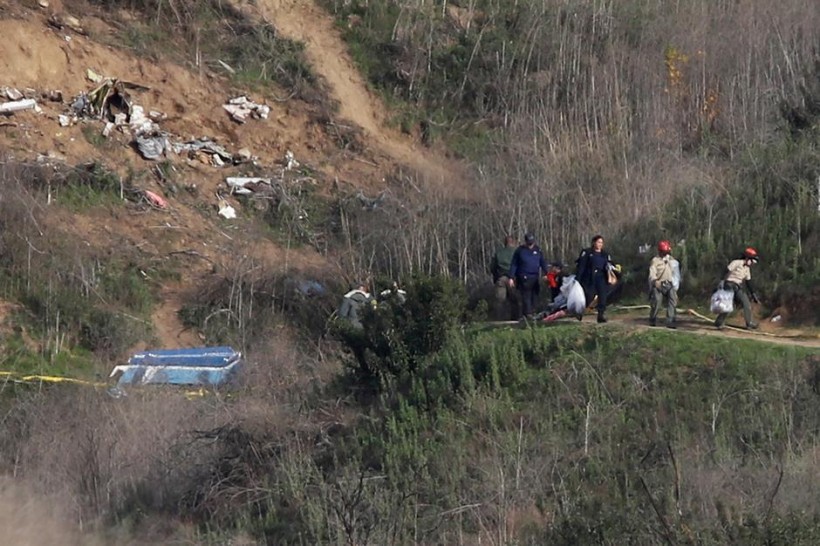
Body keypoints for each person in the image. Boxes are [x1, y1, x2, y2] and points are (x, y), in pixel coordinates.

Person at [714, 247, 761, 330]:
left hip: (738, 286)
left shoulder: (747, 269)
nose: (752, 263)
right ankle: (719, 322)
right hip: (729, 284)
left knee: (746, 303)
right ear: (747, 258)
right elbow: (726, 270)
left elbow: (748, 282)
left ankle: (749, 323)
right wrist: (721, 281)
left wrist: (753, 295)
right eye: (752, 260)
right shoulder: (736, 262)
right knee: (728, 304)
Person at [508, 233, 550, 320]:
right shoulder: (520, 251)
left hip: (535, 276)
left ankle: (533, 312)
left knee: (535, 295)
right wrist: (511, 277)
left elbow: (542, 262)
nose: (530, 244)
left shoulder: (538, 250)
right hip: (524, 276)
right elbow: (514, 264)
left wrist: (547, 273)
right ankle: (528, 314)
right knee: (526, 295)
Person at [575, 235, 616, 323]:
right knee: (589, 295)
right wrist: (578, 279)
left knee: (602, 296)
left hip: (601, 277)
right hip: (590, 277)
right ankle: (579, 311)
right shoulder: (587, 252)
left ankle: (601, 315)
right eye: (598, 242)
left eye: (601, 242)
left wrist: (613, 268)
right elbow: (581, 266)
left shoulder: (605, 254)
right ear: (594, 243)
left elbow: (610, 264)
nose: (600, 244)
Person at [647, 240, 681, 329]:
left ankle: (670, 320)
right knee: (657, 301)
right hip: (658, 283)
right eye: (664, 252)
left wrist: (675, 285)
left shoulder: (671, 260)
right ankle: (652, 318)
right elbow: (652, 273)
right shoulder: (655, 261)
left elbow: (675, 272)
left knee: (673, 300)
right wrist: (654, 281)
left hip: (669, 283)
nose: (665, 253)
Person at [489, 235, 519, 320]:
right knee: (514, 300)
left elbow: (492, 267)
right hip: (513, 279)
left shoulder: (499, 253)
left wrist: (496, 276)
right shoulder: (516, 252)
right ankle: (515, 319)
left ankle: (500, 320)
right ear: (513, 242)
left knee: (500, 301)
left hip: (501, 278)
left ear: (505, 243)